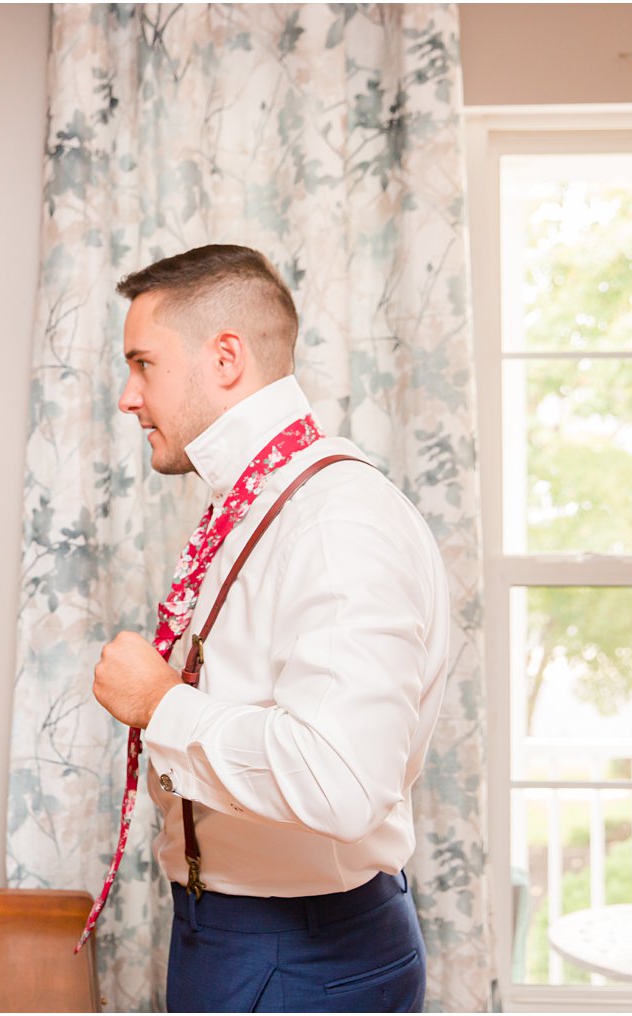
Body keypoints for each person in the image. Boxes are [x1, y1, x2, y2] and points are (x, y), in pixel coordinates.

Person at [90, 244, 449, 1013]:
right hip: (236, 936)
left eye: (143, 364)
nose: (127, 396)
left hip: (303, 956)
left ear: (225, 358)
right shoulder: (260, 502)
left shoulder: (335, 522)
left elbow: (342, 781)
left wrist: (162, 706)